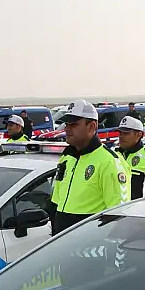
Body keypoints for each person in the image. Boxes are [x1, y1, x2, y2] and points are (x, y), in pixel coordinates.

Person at [48, 100, 130, 234]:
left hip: (90, 241)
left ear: (91, 126)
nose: (67, 128)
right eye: (66, 124)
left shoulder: (109, 161)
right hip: (62, 241)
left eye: (73, 124)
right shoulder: (67, 157)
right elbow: (56, 201)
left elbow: (118, 213)